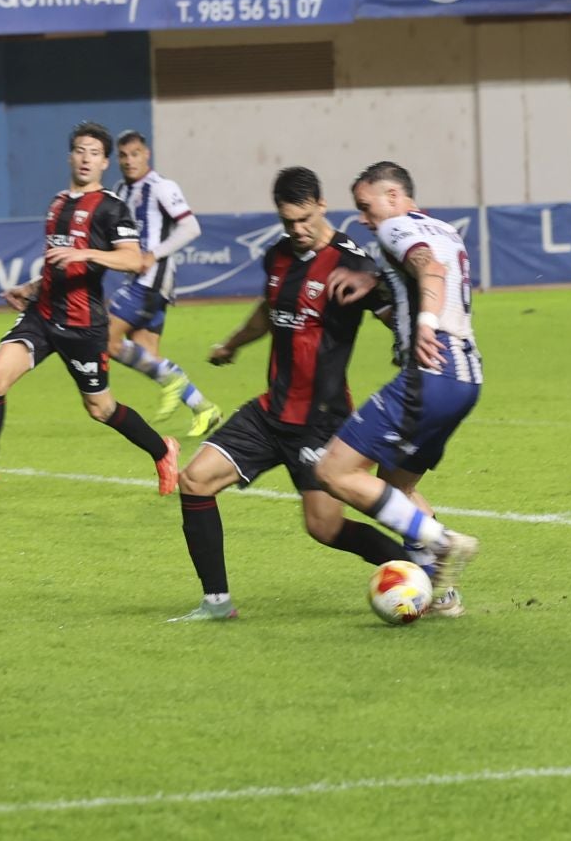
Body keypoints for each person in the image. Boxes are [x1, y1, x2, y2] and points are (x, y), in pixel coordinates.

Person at [169, 168, 411, 621]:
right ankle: (216, 603)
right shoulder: (278, 256)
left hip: (322, 421)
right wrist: (233, 344)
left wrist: (420, 350)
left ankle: (420, 567)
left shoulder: (352, 263)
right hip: (270, 412)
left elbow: (393, 315)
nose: (297, 229)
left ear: (321, 205)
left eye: (304, 219)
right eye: (288, 221)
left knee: (324, 527)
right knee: (195, 480)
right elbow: (270, 309)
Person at [0, 122, 180, 497]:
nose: (86, 158)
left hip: (83, 325)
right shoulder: (58, 203)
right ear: (70, 156)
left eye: (94, 153)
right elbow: (58, 263)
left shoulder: (112, 208)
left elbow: (134, 260)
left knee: (101, 409)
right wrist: (31, 288)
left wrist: (87, 253)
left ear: (105, 163)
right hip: (43, 314)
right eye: (80, 150)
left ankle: (163, 451)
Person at [312, 161, 482, 616]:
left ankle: (442, 542)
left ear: (392, 196)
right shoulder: (445, 229)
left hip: (430, 372)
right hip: (466, 378)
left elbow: (428, 268)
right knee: (395, 488)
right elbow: (426, 270)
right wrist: (375, 280)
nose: (364, 219)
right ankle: (443, 595)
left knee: (333, 472)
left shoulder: (396, 227)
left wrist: (424, 324)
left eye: (365, 206)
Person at [106, 131, 221, 437]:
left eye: (135, 154)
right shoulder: (120, 190)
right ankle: (204, 408)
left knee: (105, 338)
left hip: (151, 281)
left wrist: (153, 254)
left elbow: (191, 227)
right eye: (123, 155)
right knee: (149, 356)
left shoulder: (161, 186)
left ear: (147, 154)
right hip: (139, 280)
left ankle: (174, 381)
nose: (129, 161)